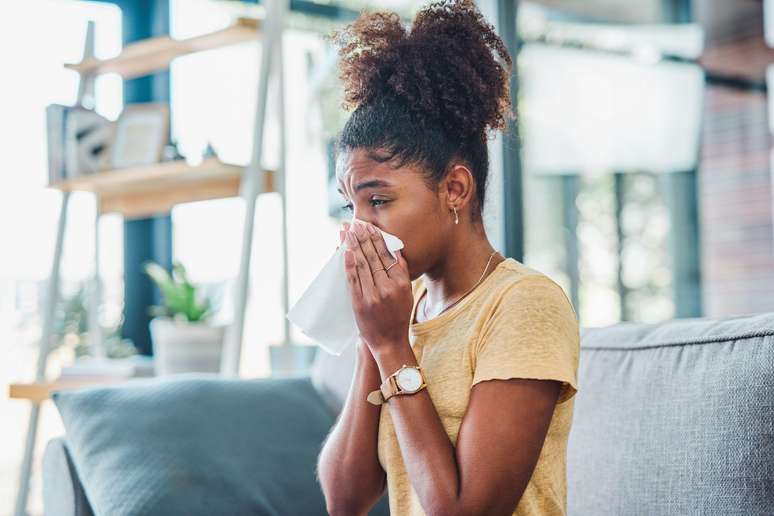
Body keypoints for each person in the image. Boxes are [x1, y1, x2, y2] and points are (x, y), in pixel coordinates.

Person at [316, 1, 580, 515]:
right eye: (351, 205)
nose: (360, 227)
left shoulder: (523, 305)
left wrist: (394, 347)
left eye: (380, 199)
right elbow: (344, 500)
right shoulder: (402, 308)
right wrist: (374, 341)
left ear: (455, 188)